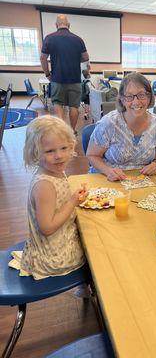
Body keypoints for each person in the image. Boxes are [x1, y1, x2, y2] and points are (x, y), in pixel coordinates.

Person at [9, 116, 88, 279]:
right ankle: (86, 287)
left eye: (64, 148)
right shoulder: (45, 185)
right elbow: (47, 228)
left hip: (54, 245)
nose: (59, 156)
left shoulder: (54, 171)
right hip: (55, 257)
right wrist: (72, 201)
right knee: (97, 250)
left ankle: (84, 288)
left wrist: (72, 198)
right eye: (50, 151)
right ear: (35, 152)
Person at [86, 73, 156, 181]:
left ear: (149, 97)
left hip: (142, 181)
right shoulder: (109, 123)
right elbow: (92, 155)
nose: (136, 101)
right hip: (108, 180)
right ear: (122, 100)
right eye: (129, 96)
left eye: (142, 95)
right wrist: (108, 170)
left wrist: (155, 163)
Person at [40, 14, 89, 134]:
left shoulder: (49, 38)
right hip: (75, 79)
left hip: (57, 79)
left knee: (58, 104)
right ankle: (72, 131)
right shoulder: (78, 39)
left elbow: (43, 58)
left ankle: (61, 132)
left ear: (56, 25)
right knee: (74, 106)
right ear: (69, 25)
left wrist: (47, 74)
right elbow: (85, 58)